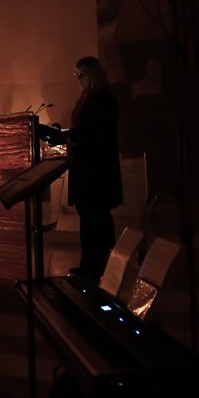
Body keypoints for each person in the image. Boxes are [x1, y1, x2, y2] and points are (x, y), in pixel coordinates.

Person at [67, 56, 122, 279]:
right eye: (76, 74)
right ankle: (89, 264)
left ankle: (99, 266)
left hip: (96, 169)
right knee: (89, 216)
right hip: (86, 167)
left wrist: (70, 135)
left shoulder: (103, 99)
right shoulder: (88, 98)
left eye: (81, 74)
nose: (78, 79)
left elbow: (96, 133)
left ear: (93, 74)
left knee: (97, 217)